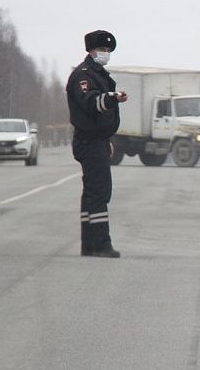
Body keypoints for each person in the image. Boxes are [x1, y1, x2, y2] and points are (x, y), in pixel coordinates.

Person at [66, 30, 128, 258]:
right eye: (102, 50)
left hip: (97, 140)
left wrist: (106, 139)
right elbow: (91, 103)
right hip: (89, 141)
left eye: (108, 50)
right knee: (100, 192)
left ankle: (89, 244)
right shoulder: (84, 76)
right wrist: (112, 98)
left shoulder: (97, 73)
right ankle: (100, 243)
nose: (106, 54)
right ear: (91, 51)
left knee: (92, 193)